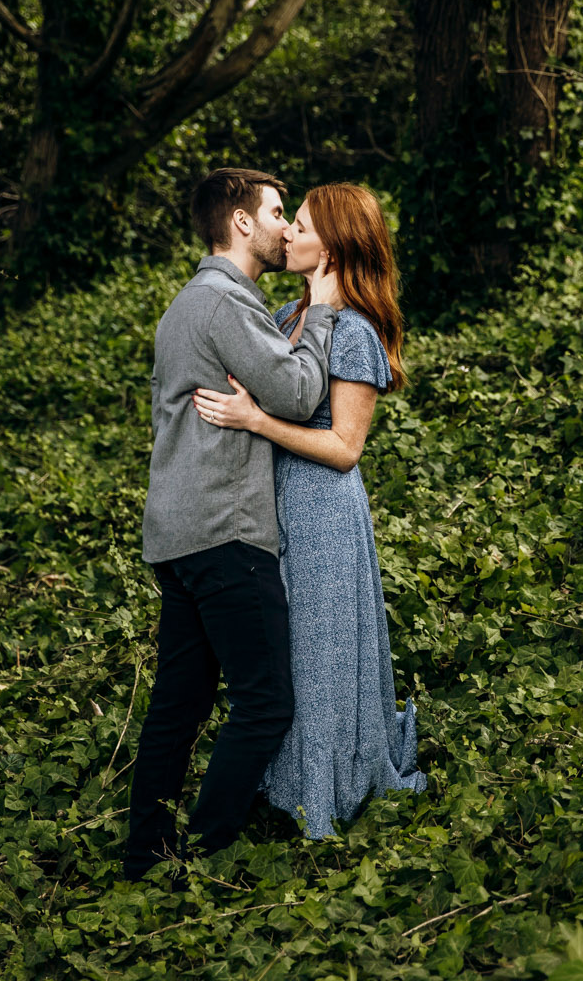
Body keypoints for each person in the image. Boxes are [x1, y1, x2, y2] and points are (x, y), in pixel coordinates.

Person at [123, 168, 344, 880]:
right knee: (266, 702)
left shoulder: (188, 305)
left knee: (178, 709)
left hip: (177, 536)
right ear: (242, 223)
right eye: (278, 212)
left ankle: (146, 855)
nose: (287, 226)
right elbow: (302, 390)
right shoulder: (225, 305)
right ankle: (206, 849)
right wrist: (327, 309)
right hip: (226, 532)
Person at [192, 182, 427, 838]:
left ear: (335, 244)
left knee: (319, 659)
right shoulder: (292, 313)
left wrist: (256, 421)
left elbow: (345, 447)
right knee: (287, 655)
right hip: (276, 508)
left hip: (322, 511)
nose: (287, 235)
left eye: (299, 225)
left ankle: (321, 793)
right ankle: (284, 779)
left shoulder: (353, 328)